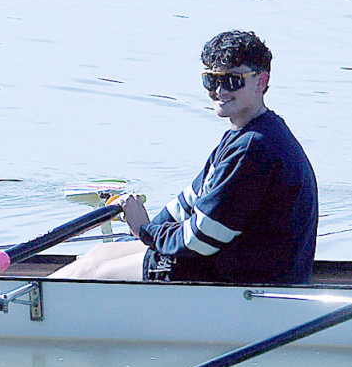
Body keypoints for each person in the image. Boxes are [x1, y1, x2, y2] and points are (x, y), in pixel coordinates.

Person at [56, 30, 318, 285]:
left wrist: (146, 231)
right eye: (211, 80)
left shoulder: (254, 147)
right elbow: (188, 202)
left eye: (232, 80)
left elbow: (200, 239)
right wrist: (148, 229)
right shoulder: (249, 133)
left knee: (91, 273)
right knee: (97, 255)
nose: (220, 91)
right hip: (230, 265)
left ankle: (26, 311)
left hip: (241, 282)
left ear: (261, 81)